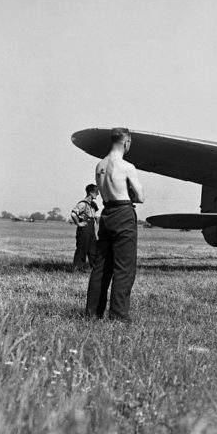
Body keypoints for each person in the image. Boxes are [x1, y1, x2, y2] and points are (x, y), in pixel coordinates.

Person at [85, 127, 145, 323]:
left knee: (101, 266)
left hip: (106, 213)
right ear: (126, 142)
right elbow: (140, 197)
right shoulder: (127, 166)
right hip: (123, 212)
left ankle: (93, 314)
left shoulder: (99, 165)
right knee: (124, 267)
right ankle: (118, 316)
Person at [70, 183, 99, 271]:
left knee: (93, 250)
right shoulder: (83, 204)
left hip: (91, 230)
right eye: (96, 192)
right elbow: (73, 214)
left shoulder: (93, 205)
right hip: (84, 230)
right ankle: (77, 269)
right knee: (81, 249)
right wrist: (79, 223)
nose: (98, 194)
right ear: (91, 193)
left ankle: (94, 268)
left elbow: (96, 217)